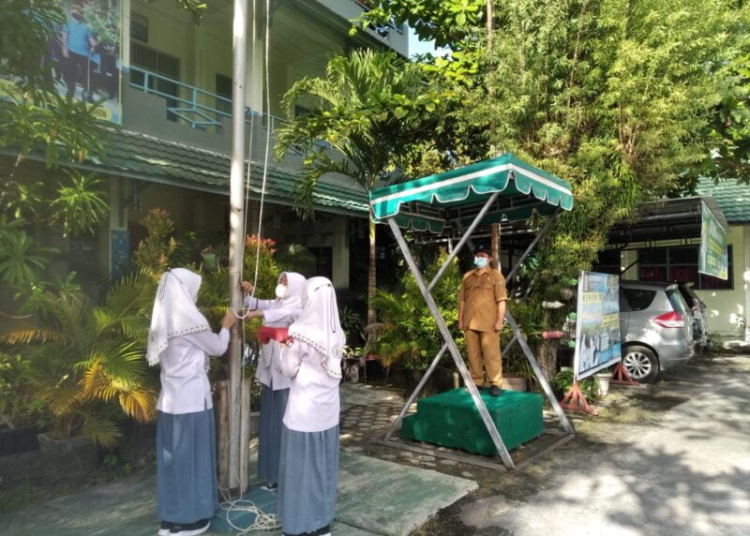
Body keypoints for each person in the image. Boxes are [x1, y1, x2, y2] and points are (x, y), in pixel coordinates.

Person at [147, 268, 238, 536]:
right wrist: (226, 326)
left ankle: (171, 518)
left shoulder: (162, 319)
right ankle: (190, 520)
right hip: (191, 403)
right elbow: (217, 347)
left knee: (174, 462)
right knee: (193, 460)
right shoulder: (188, 319)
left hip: (170, 402)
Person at [276, 277, 344, 536]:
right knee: (323, 469)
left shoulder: (298, 332)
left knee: (300, 471)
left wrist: (283, 349)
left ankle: (297, 525)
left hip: (303, 414)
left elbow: (289, 369)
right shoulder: (338, 331)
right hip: (327, 413)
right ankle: (321, 524)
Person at [240, 272, 306, 491]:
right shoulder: (278, 302)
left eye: (286, 282)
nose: (282, 284)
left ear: (297, 287)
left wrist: (257, 313)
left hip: (286, 379)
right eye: (281, 280)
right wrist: (247, 292)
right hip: (270, 375)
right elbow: (256, 303)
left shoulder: (300, 308)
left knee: (283, 427)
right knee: (269, 427)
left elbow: (281, 314)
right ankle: (272, 476)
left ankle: (286, 477)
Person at [458, 244, 508, 397]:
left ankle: (495, 383)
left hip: (489, 322)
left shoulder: (496, 276)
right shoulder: (467, 276)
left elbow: (501, 300)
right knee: (473, 354)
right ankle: (476, 382)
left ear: (490, 259)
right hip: (469, 321)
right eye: (478, 255)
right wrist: (460, 320)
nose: (480, 258)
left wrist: (499, 320)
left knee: (491, 354)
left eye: (483, 256)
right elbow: (462, 300)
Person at [61, 4, 97, 101]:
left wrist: (94, 44)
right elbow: (64, 35)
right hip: (71, 50)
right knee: (71, 71)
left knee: (88, 74)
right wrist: (64, 48)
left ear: (81, 13)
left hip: (84, 53)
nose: (76, 13)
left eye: (78, 11)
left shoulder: (87, 25)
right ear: (71, 12)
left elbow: (91, 39)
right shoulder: (68, 23)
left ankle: (87, 93)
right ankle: (70, 90)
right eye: (74, 11)